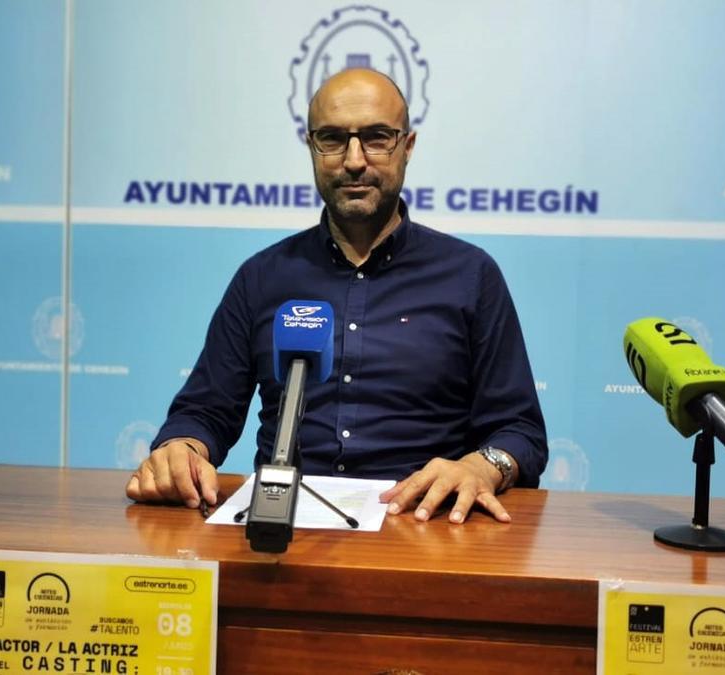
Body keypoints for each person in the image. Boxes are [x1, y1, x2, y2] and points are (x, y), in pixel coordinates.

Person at [126, 68, 546, 524]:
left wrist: (480, 467)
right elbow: (203, 411)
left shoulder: (470, 275)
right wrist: (180, 449)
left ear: (408, 147)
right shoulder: (263, 277)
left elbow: (519, 430)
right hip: (281, 530)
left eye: (376, 137)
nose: (353, 160)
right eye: (332, 139)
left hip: (422, 529)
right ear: (312, 147)